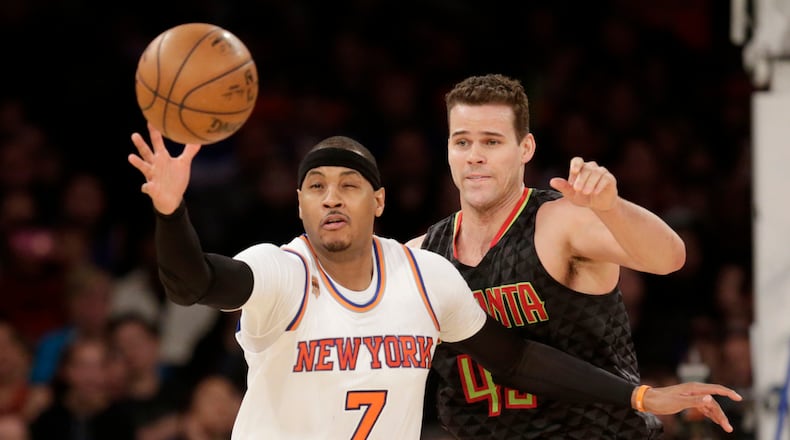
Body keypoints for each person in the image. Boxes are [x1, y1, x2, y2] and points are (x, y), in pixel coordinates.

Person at [127, 124, 741, 439]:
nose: (332, 199)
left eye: (349, 186)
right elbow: (192, 282)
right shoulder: (283, 272)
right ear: (299, 207)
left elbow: (517, 358)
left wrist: (638, 395)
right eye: (316, 187)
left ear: (380, 201)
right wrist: (169, 210)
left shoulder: (424, 275)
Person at [406, 73, 702, 438]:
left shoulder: (559, 222)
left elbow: (670, 258)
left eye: (492, 142)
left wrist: (612, 208)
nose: (475, 157)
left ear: (525, 148)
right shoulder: (422, 255)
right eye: (462, 142)